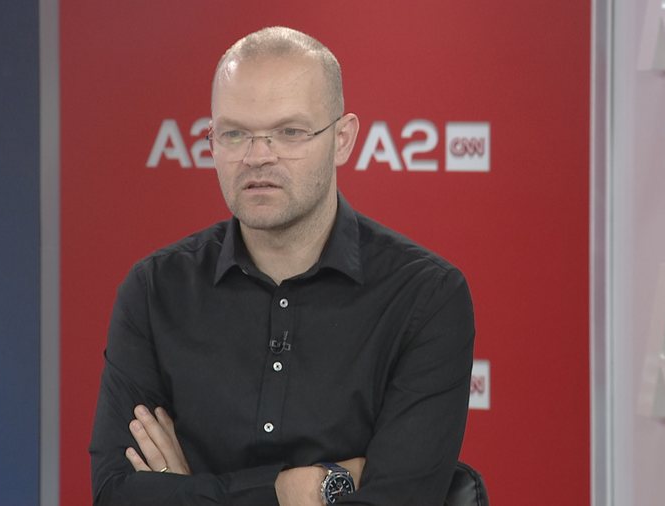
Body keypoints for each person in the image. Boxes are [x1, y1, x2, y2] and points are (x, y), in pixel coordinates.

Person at [90, 26, 475, 506]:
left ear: (342, 139)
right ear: (211, 141)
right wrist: (288, 491)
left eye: (289, 132)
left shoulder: (425, 297)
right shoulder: (155, 290)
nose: (257, 157)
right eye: (235, 134)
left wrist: (187, 493)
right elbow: (116, 494)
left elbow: (400, 499)